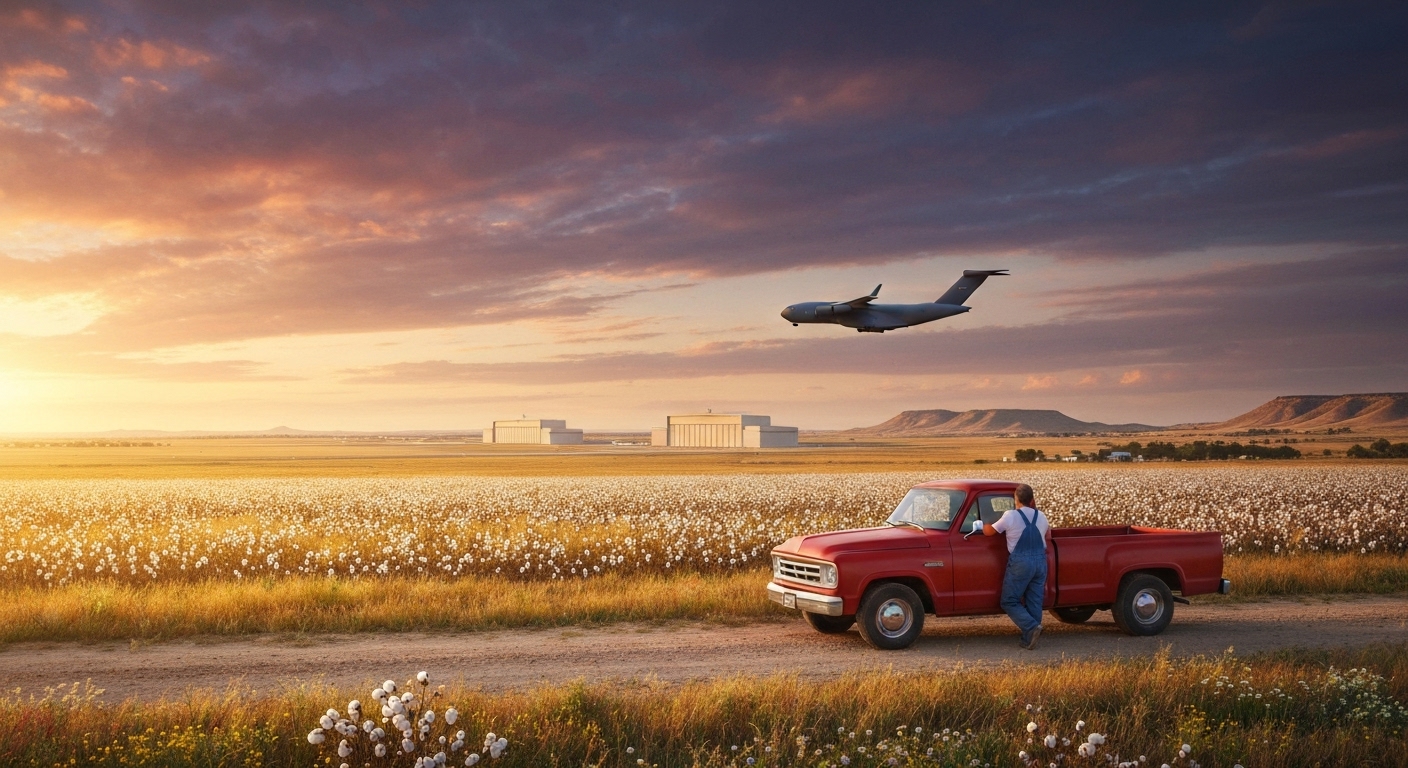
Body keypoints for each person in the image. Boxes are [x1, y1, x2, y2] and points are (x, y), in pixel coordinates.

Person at [981, 483, 1050, 649]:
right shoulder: (1041, 516)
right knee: (1034, 600)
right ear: (1032, 500)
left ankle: (1031, 627)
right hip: (1040, 562)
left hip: (1021, 563)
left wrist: (982, 523)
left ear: (1016, 499)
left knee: (1009, 600)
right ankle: (1030, 638)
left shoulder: (1010, 516)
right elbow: (1047, 534)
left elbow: (990, 532)